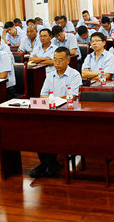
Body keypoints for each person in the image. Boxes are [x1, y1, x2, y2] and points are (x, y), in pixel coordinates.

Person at [29, 47, 82, 179]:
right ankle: (49, 164)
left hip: (69, 114)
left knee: (52, 132)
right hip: (52, 112)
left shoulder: (75, 75)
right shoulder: (50, 75)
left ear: (68, 60)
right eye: (55, 60)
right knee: (39, 131)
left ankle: (46, 165)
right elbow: (42, 95)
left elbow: (71, 97)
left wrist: (52, 98)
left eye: (60, 60)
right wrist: (56, 99)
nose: (57, 63)